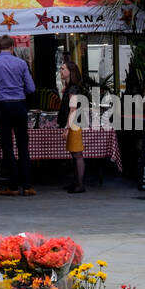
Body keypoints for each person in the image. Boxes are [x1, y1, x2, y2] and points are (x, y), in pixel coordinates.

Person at [0, 35, 35, 196]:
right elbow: (31, 88)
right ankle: (27, 186)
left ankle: (13, 186)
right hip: (19, 104)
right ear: (12, 47)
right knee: (22, 145)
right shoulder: (21, 64)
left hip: (2, 106)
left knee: (7, 145)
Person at [58, 60, 87, 194]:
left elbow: (73, 110)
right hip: (72, 123)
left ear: (70, 71)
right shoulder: (70, 87)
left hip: (74, 124)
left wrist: (67, 128)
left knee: (77, 154)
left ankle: (80, 184)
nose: (61, 71)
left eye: (63, 69)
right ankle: (76, 182)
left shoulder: (73, 88)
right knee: (74, 154)